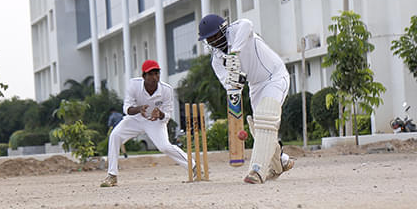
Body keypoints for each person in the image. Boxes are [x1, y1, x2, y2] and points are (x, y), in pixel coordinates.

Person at [197, 14, 294, 184]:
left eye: (214, 35)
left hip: (275, 77)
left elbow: (248, 24)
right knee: (259, 126)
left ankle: (257, 171)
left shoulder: (237, 30)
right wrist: (235, 81)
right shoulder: (217, 61)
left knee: (266, 118)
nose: (212, 41)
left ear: (223, 30)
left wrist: (234, 52)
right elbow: (229, 87)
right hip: (255, 86)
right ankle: (280, 161)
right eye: (208, 39)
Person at [100, 59, 192, 187]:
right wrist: (139, 109)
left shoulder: (166, 90)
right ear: (143, 76)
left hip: (154, 122)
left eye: (157, 73)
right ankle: (112, 175)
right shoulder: (133, 84)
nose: (154, 77)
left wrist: (159, 114)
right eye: (150, 74)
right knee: (115, 136)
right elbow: (126, 108)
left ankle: (194, 168)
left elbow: (168, 114)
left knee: (164, 146)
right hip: (135, 119)